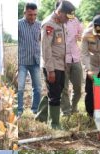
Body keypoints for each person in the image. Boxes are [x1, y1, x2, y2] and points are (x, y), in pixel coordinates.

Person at [36, 1, 75, 129]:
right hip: (51, 65)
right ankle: (54, 124)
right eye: (66, 17)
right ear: (60, 13)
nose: (68, 21)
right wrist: (50, 71)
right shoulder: (49, 24)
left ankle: (41, 117)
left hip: (60, 64)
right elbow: (46, 49)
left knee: (54, 91)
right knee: (55, 95)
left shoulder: (61, 22)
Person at [57, 1, 83, 116]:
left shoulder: (75, 20)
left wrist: (79, 36)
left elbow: (80, 34)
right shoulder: (57, 23)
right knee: (64, 88)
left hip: (76, 58)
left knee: (78, 87)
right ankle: (66, 112)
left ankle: (74, 108)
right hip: (63, 60)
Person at [18, 2, 41, 117]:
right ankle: (19, 111)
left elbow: (41, 40)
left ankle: (35, 110)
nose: (32, 17)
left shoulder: (39, 25)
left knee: (37, 88)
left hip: (35, 61)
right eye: (30, 14)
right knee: (20, 87)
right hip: (22, 61)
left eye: (35, 15)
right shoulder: (18, 25)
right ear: (25, 13)